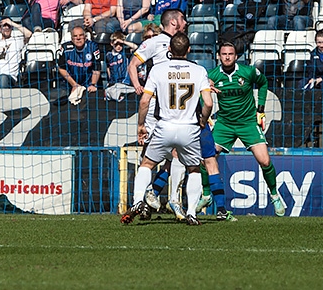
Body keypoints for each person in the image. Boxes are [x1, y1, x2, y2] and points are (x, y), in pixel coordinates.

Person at [121, 32, 212, 226]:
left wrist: (141, 125)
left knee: (147, 164)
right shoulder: (199, 70)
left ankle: (138, 201)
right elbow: (209, 103)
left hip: (164, 126)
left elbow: (145, 100)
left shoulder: (158, 69)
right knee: (194, 169)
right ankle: (191, 213)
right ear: (189, 50)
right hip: (189, 127)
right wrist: (203, 120)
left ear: (169, 50)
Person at [207, 42, 286, 216]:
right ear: (219, 56)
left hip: (248, 123)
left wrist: (261, 109)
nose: (227, 56)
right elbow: (200, 93)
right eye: (224, 54)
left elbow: (263, 82)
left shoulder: (248, 72)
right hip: (224, 124)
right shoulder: (212, 76)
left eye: (231, 54)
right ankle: (206, 195)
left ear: (236, 56)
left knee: (265, 161)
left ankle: (274, 195)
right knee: (207, 157)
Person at [0, 18, 32, 89]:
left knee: (3, 77)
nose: (7, 28)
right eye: (4, 25)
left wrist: (12, 23)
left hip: (9, 77)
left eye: (9, 26)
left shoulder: (17, 41)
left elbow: (29, 34)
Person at [58, 26, 101, 99]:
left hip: (87, 84)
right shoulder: (65, 48)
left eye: (81, 35)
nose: (78, 38)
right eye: (75, 36)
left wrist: (93, 84)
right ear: (72, 38)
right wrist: (74, 85)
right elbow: (61, 68)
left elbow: (97, 69)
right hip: (68, 84)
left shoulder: (93, 47)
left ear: (85, 37)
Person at [105, 32, 137, 102]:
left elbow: (136, 47)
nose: (119, 46)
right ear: (111, 43)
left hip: (124, 82)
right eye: (116, 44)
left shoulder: (125, 52)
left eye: (121, 44)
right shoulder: (108, 55)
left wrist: (123, 42)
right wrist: (110, 80)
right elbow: (108, 68)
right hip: (114, 82)